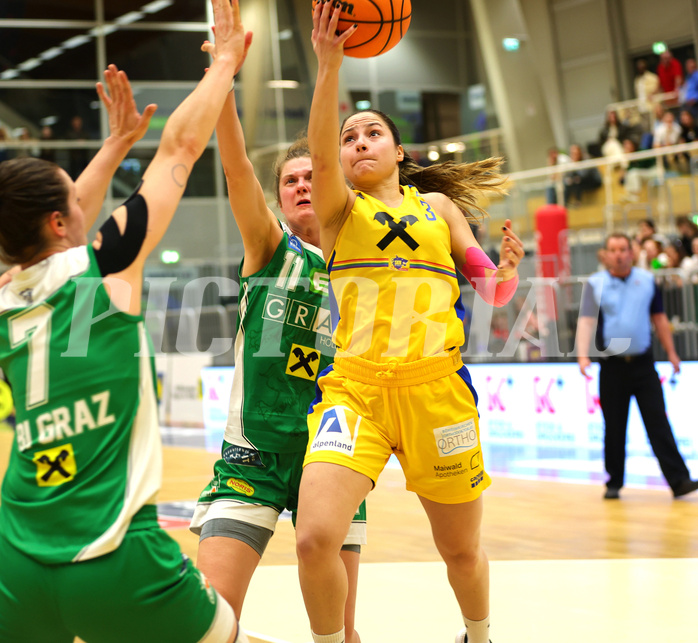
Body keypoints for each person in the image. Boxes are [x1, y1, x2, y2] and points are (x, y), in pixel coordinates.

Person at [0, 1, 251, 641]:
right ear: (60, 222)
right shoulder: (104, 271)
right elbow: (183, 145)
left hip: (15, 562)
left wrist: (113, 146)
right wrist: (224, 63)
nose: (87, 199)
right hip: (114, 553)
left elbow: (44, 226)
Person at [295, 5, 523, 643]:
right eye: (348, 137)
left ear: (399, 151)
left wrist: (504, 269)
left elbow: (492, 291)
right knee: (314, 538)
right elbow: (316, 147)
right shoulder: (338, 209)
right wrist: (329, 65)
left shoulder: (442, 208)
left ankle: (477, 635)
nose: (358, 142)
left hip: (437, 393)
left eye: (371, 134)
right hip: (356, 393)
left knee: (460, 552)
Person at [189, 36, 365, 643]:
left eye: (312, 173)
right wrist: (226, 76)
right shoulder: (269, 245)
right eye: (288, 179)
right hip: (254, 454)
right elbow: (236, 167)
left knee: (341, 633)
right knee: (205, 626)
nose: (300, 184)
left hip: (335, 455)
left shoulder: (363, 259)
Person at [576, 233, 698, 500]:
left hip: (644, 365)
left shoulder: (647, 282)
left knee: (658, 422)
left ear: (631, 253)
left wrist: (672, 353)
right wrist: (582, 355)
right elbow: (586, 321)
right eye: (613, 250)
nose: (618, 254)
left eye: (623, 249)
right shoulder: (595, 284)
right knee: (614, 426)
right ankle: (613, 482)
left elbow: (660, 318)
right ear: (605, 254)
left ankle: (679, 480)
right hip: (612, 368)